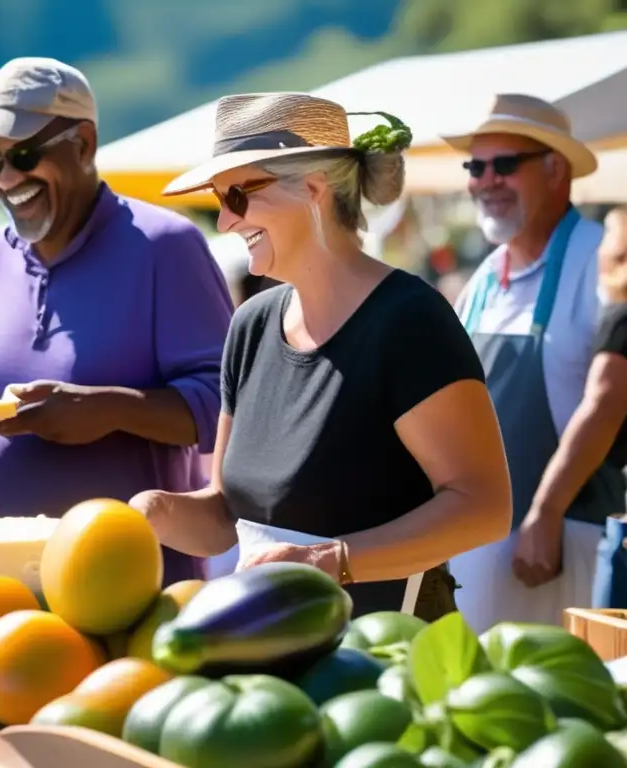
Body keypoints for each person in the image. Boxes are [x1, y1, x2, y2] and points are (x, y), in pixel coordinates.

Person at [129, 92, 512, 618]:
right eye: (217, 201)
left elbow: (484, 507)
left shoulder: (409, 321)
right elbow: (225, 515)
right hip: (277, 653)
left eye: (236, 197)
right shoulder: (251, 325)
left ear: (312, 190)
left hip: (387, 662)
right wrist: (152, 513)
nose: (223, 222)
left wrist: (332, 560)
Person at [0, 57, 234, 585]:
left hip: (127, 588)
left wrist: (111, 409)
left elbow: (229, 402)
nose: (6, 178)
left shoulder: (164, 246)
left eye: (26, 154)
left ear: (83, 144)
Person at [446, 94, 627, 630]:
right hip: (477, 542)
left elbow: (609, 399)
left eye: (505, 165)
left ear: (556, 171)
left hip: (570, 536)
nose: (486, 180)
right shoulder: (482, 278)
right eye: (475, 167)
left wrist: (545, 513)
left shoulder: (603, 259)